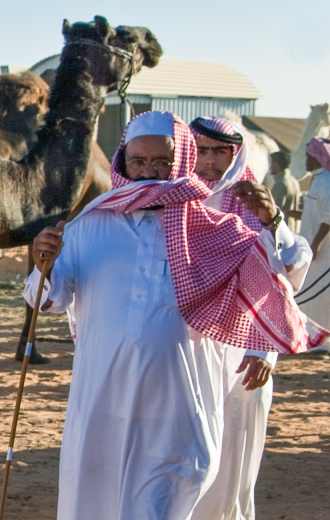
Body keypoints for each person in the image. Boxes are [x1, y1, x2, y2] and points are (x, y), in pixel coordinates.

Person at [28, 111, 318, 520]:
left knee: (193, 483)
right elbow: (48, 296)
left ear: (180, 161)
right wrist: (43, 264)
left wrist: (275, 224)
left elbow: (278, 275)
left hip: (190, 390)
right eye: (139, 162)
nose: (149, 172)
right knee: (94, 492)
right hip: (104, 394)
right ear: (122, 162)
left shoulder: (219, 226)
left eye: (162, 162)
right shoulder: (89, 222)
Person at [188, 116, 309, 519]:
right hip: (183, 353)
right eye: (201, 150)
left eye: (219, 151)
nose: (209, 161)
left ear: (235, 154)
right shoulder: (170, 202)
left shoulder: (255, 207)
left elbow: (286, 273)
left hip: (242, 355)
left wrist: (265, 349)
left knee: (232, 466)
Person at [298, 137, 330, 329]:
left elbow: (328, 216)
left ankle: (321, 341)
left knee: (319, 296)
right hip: (312, 249)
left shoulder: (326, 181)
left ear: (318, 157)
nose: (305, 160)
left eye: (308, 156)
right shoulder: (319, 179)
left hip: (321, 252)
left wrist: (316, 244)